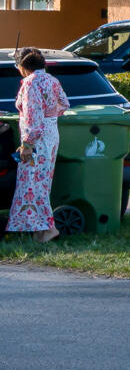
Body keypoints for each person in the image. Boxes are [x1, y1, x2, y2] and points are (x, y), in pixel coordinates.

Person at [8, 47, 69, 241]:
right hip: (50, 137)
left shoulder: (30, 83)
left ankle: (47, 229)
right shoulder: (51, 80)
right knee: (41, 184)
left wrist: (27, 143)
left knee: (31, 184)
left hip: (37, 140)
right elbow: (64, 103)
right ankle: (40, 230)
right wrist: (50, 118)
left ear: (23, 65)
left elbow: (33, 117)